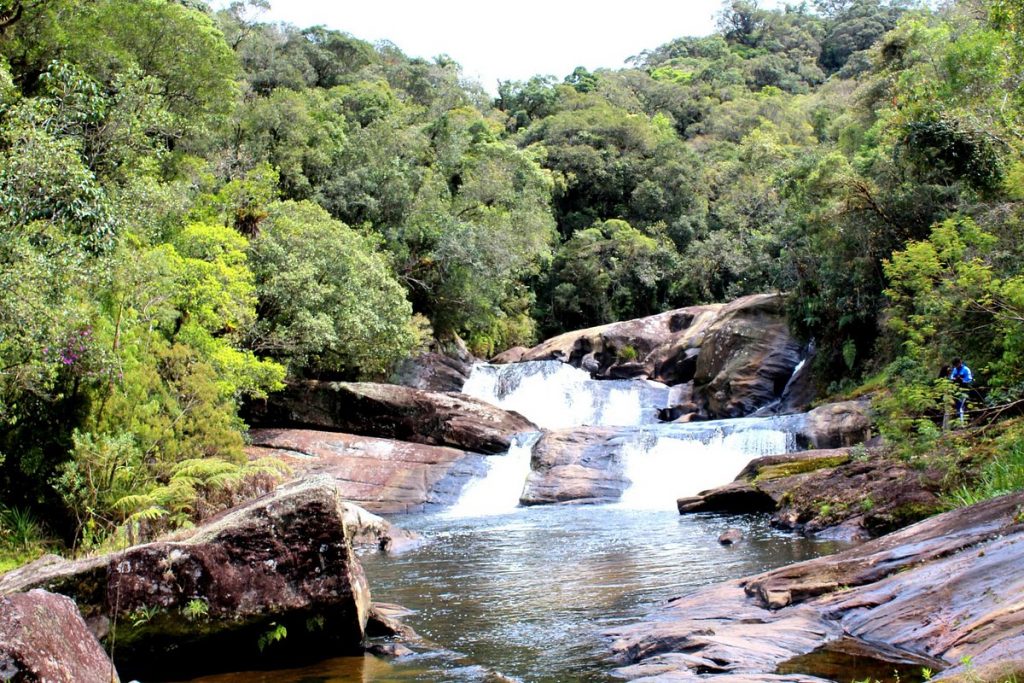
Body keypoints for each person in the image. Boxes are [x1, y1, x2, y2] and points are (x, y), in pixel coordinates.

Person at [949, 358, 973, 422]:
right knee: (956, 406)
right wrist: (954, 379)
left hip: (964, 391)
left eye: (957, 364)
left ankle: (962, 422)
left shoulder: (966, 369)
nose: (956, 366)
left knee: (961, 406)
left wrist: (962, 380)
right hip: (956, 391)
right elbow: (951, 377)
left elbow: (969, 379)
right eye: (955, 365)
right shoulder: (955, 369)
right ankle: (958, 420)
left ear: (960, 362)